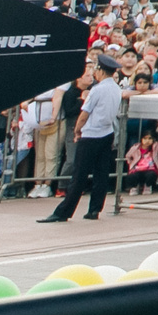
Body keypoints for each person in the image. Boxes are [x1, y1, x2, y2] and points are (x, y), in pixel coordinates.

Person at [40, 53, 126, 222]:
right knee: (101, 174)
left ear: (101, 71)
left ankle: (63, 212)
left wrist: (78, 130)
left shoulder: (97, 89)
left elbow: (84, 114)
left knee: (79, 175)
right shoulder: (116, 89)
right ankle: (94, 209)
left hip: (91, 134)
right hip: (107, 132)